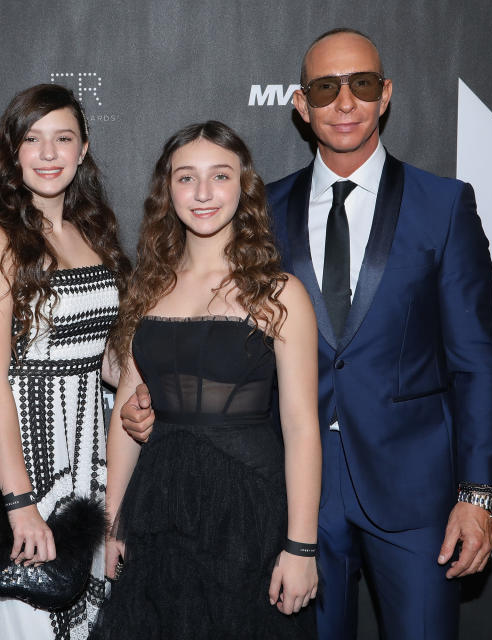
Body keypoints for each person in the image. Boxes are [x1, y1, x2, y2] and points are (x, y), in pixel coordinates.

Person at [121, 29, 492, 640]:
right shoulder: (257, 211)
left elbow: (475, 362)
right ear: (302, 104)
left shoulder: (445, 205)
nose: (344, 102)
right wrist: (157, 408)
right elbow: (211, 334)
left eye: (362, 84)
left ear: (386, 95)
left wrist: (479, 494)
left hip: (413, 499)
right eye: (326, 88)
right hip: (287, 498)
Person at [91, 121, 320, 639]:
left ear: (245, 188)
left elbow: (303, 426)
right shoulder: (146, 290)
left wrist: (302, 546)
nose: (203, 193)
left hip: (250, 515)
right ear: (166, 190)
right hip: (159, 513)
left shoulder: (280, 294)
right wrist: (112, 528)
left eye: (220, 176)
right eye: (186, 178)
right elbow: (125, 419)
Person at [0, 84, 130, 640]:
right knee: (21, 616)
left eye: (63, 139)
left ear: (83, 149)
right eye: (33, 140)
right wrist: (19, 502)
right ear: (13, 151)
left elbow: (98, 357)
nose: (48, 154)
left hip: (86, 451)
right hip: (18, 453)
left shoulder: (91, 232)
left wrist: (141, 389)